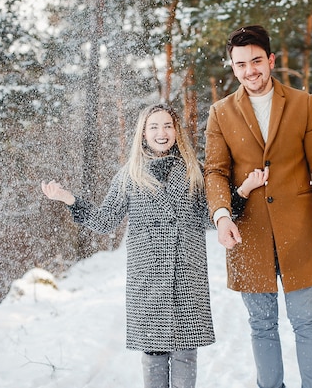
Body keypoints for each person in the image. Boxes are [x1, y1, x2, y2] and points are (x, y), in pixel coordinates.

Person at [40, 103, 265, 388]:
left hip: (186, 273)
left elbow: (210, 217)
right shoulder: (129, 174)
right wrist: (68, 198)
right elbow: (105, 221)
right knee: (154, 354)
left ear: (176, 132)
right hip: (148, 279)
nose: (162, 132)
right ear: (143, 134)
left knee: (186, 351)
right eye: (154, 127)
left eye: (168, 126)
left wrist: (244, 190)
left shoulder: (193, 170)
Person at [204, 25, 312, 388]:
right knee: (261, 324)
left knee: (306, 321)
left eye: (255, 61)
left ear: (270, 60)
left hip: (300, 231)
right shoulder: (220, 113)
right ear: (232, 67)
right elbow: (215, 172)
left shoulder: (303, 103)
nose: (249, 70)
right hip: (247, 233)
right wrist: (221, 216)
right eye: (240, 64)